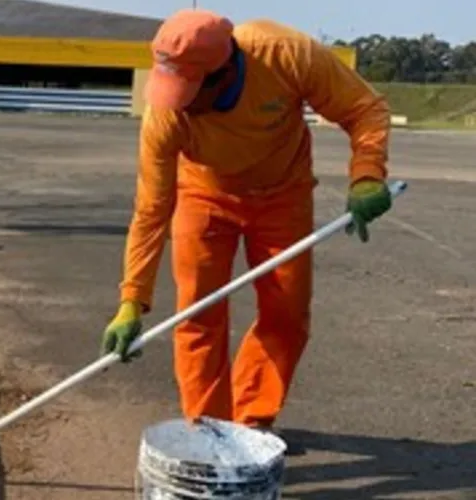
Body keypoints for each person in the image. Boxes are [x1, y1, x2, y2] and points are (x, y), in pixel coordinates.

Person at [99, 9, 394, 438]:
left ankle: (251, 424)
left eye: (190, 91)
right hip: (203, 195)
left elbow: (365, 108)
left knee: (286, 315)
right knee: (199, 312)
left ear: (224, 73)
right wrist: (132, 299)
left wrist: (367, 174)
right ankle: (209, 430)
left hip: (282, 195)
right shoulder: (166, 114)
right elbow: (151, 208)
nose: (179, 103)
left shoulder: (286, 55)